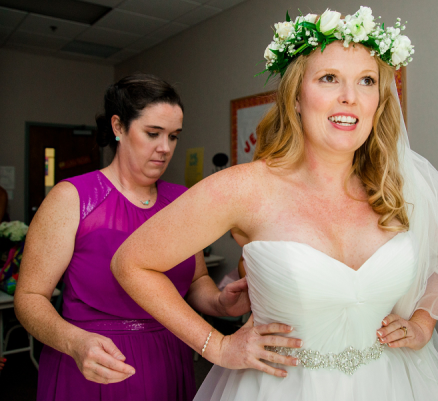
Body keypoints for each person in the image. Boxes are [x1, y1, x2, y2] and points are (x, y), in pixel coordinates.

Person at [112, 7, 438, 401]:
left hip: (395, 384)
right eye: (329, 78)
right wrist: (217, 346)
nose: (349, 97)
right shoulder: (244, 189)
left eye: (366, 81)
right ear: (295, 96)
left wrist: (423, 323)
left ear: (379, 100)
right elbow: (132, 263)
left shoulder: (399, 187)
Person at [14, 73, 298, 401]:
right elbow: (30, 297)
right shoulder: (73, 198)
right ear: (119, 127)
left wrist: (219, 302)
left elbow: (195, 281)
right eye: (152, 133)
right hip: (94, 362)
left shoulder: (181, 200)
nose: (165, 148)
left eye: (173, 136)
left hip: (169, 354)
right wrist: (74, 342)